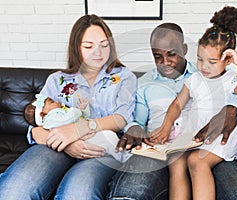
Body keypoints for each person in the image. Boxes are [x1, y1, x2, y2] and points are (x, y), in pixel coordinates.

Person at [108, 23, 237, 200]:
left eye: (172, 54)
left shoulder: (220, 73)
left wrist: (233, 107)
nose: (165, 62)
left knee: (196, 161)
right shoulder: (149, 83)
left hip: (213, 139)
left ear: (184, 49)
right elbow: (173, 106)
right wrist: (141, 128)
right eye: (157, 56)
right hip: (179, 142)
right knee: (176, 163)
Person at [0, 14, 136, 200]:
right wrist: (68, 143)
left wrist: (77, 129)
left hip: (99, 150)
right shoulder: (57, 80)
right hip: (55, 147)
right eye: (89, 46)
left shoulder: (124, 77)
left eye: (104, 45)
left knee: (77, 193)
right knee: (14, 190)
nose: (98, 52)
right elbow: (37, 129)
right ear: (76, 48)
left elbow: (122, 117)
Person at [150, 6, 237, 200]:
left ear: (227, 61)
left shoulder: (230, 80)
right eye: (200, 59)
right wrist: (166, 126)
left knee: (196, 161)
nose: (204, 66)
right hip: (196, 135)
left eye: (212, 61)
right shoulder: (195, 79)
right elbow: (177, 104)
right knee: (175, 160)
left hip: (221, 139)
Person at [24, 94, 131, 163]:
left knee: (109, 136)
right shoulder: (50, 120)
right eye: (52, 102)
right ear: (42, 114)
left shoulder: (61, 112)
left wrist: (83, 109)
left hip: (86, 134)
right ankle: (124, 158)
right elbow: (69, 119)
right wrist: (76, 110)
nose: (57, 101)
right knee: (108, 138)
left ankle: (122, 155)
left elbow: (84, 118)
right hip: (83, 139)